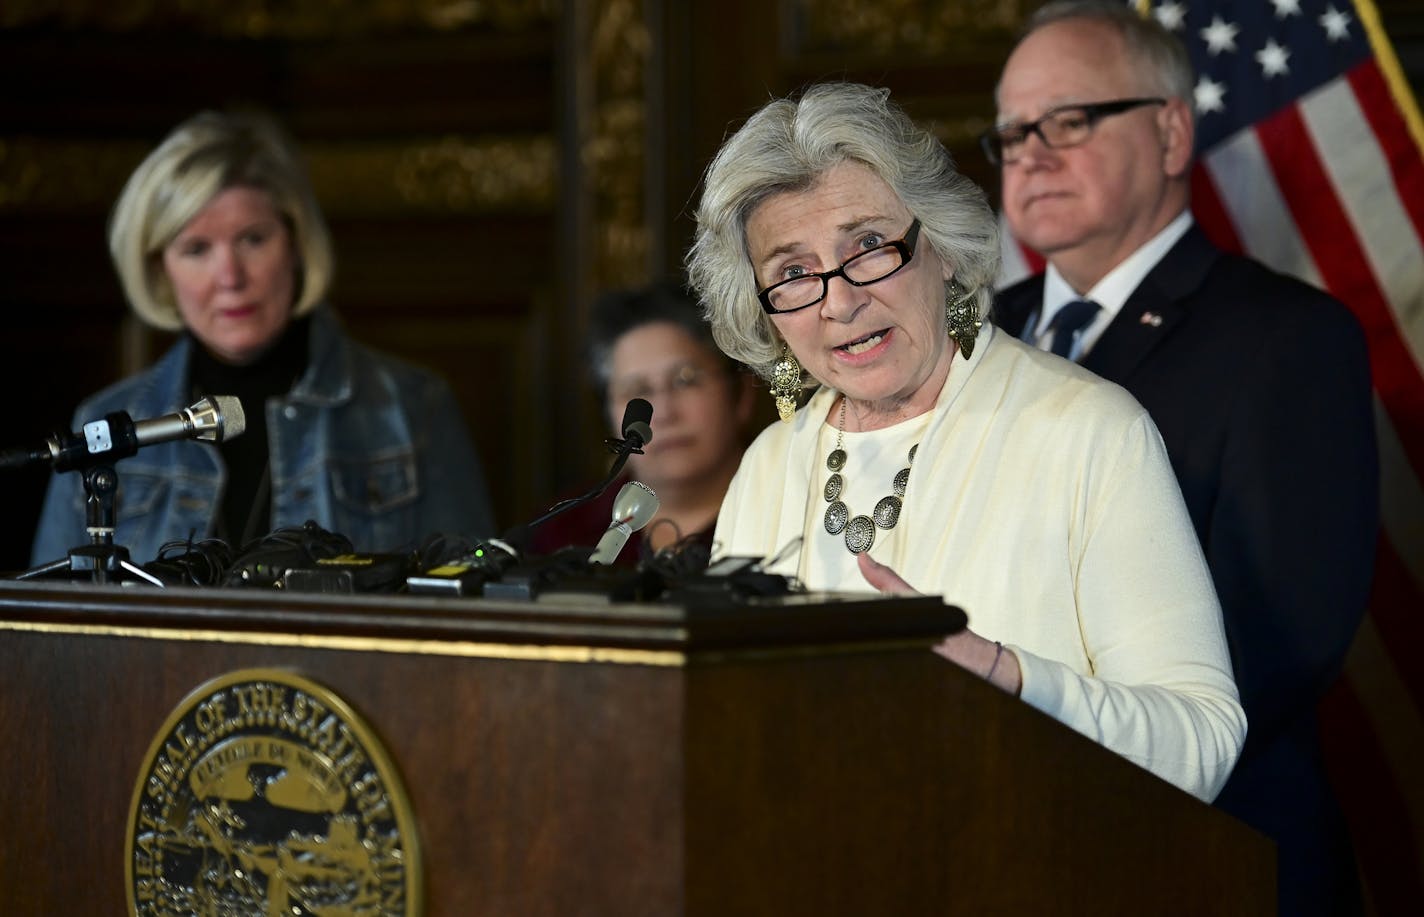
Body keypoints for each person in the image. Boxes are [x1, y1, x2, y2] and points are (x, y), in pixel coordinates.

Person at [687, 80, 1245, 802]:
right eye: (792, 272)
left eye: (868, 245)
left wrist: (1006, 676)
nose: (840, 299)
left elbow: (1203, 741)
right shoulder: (769, 464)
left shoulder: (1090, 432)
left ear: (941, 248)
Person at [985, 3, 1378, 914]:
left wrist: (1047, 733)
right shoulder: (971, 342)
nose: (1031, 153)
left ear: (1170, 132)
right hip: (998, 831)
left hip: (1207, 848)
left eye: (1070, 120)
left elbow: (1282, 633)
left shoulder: (1288, 338)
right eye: (1010, 132)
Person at [30, 109, 496, 568]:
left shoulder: (414, 407)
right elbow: (50, 631)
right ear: (159, 270)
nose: (230, 276)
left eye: (253, 239)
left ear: (295, 243)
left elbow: (473, 603)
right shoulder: (101, 428)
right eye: (196, 249)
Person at [529, 281, 758, 566]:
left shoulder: (791, 514)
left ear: (741, 395)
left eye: (685, 380)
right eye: (637, 391)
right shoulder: (561, 533)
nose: (663, 412)